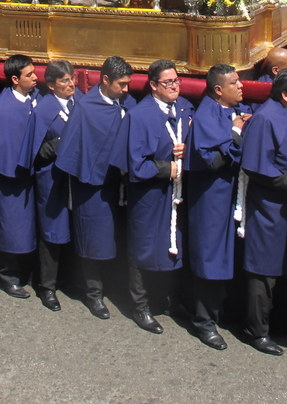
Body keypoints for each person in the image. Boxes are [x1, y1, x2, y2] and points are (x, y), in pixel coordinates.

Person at [240, 67, 287, 356]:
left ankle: (284, 320)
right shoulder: (266, 119)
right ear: (286, 95)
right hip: (268, 208)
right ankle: (257, 329)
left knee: (285, 265)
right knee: (264, 271)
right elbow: (256, 165)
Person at [55, 56, 131, 319]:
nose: (126, 90)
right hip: (92, 185)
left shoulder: (126, 103)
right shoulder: (86, 108)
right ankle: (93, 293)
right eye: (121, 84)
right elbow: (73, 149)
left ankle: (115, 286)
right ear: (106, 80)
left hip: (120, 183)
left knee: (118, 239)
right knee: (93, 241)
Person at [119, 60, 190, 337]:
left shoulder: (183, 108)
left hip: (175, 193)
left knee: (172, 245)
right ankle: (140, 306)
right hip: (149, 194)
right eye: (167, 82)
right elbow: (134, 163)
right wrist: (165, 168)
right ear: (153, 86)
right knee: (144, 247)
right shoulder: (140, 115)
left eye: (176, 81)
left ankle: (167, 299)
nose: (174, 86)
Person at [185, 63, 247, 351]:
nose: (241, 86)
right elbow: (212, 160)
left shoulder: (234, 109)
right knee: (209, 257)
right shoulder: (206, 115)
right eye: (235, 83)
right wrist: (235, 133)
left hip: (231, 198)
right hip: (211, 201)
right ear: (218, 90)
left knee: (228, 256)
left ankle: (223, 310)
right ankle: (204, 321)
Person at [0, 54, 41, 299]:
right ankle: (8, 275)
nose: (35, 78)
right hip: (9, 177)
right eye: (29, 75)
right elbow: (0, 145)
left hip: (27, 177)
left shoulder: (32, 98)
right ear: (15, 79)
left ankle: (26, 272)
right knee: (11, 227)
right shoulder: (5, 109)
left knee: (27, 227)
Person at [30, 60, 75, 312]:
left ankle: (69, 278)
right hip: (51, 178)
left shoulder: (78, 104)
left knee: (72, 227)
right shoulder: (43, 110)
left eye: (71, 79)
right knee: (52, 231)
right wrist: (56, 145)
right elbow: (34, 151)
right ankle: (47, 286)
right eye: (64, 81)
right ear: (51, 85)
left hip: (73, 178)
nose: (71, 84)